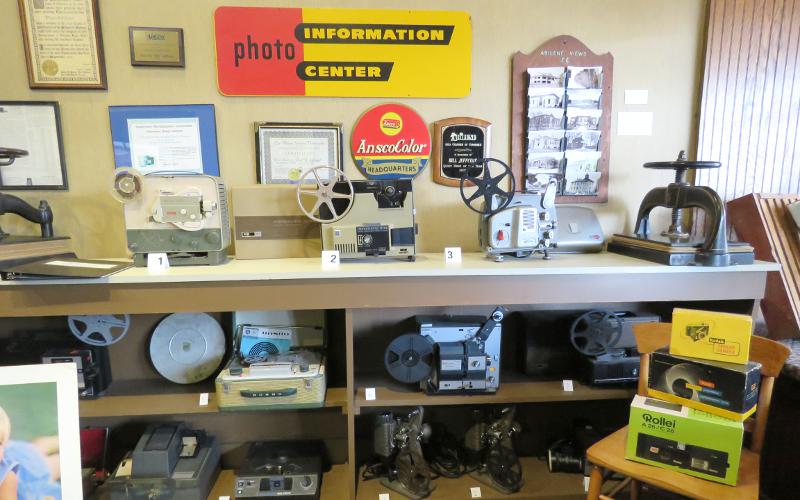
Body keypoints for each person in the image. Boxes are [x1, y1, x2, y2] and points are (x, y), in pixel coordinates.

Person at [0, 405, 61, 500]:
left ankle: (69, 439)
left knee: (53, 462)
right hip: (20, 455)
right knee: (37, 448)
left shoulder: (6, 477)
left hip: (27, 474)